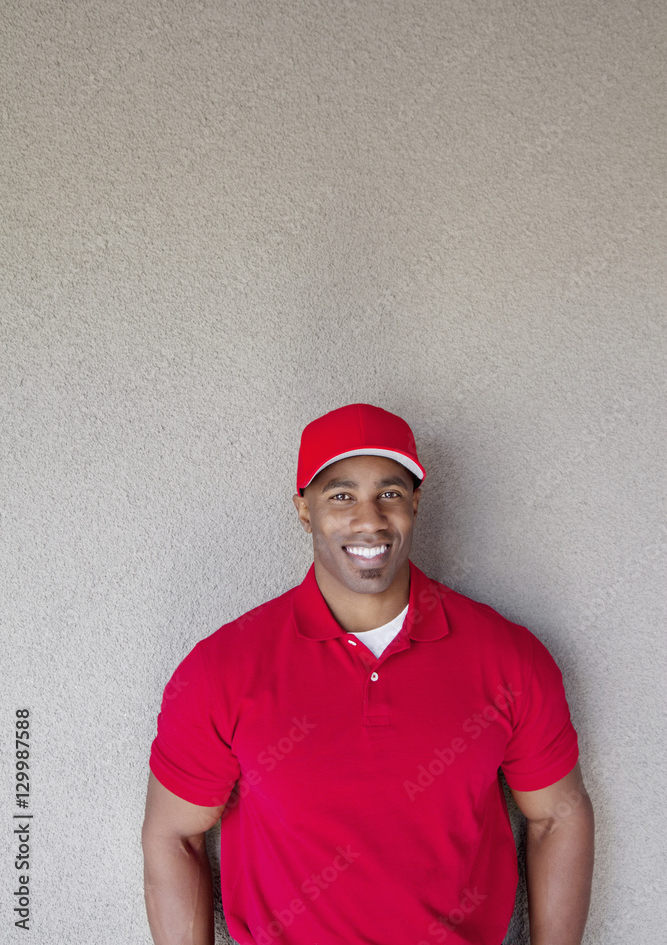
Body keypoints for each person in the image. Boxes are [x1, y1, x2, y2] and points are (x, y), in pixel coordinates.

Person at [142, 403, 594, 945]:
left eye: (390, 493)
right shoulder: (223, 668)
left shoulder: (509, 656)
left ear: (415, 505)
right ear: (304, 510)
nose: (369, 519)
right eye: (341, 496)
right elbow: (174, 837)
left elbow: (557, 818)